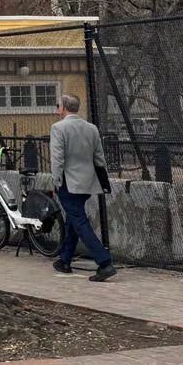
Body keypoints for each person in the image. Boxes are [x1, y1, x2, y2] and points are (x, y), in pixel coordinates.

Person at [47, 95, 117, 280]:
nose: (57, 109)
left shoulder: (58, 128)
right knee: (73, 218)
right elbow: (99, 157)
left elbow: (57, 158)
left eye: (58, 106)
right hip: (87, 182)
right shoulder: (91, 128)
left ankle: (104, 262)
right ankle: (65, 259)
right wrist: (102, 179)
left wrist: (56, 180)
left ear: (63, 108)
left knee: (78, 220)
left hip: (68, 182)